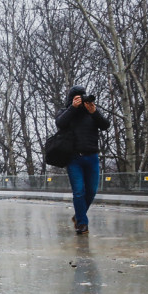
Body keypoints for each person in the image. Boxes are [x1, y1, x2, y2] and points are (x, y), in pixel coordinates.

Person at [56, 85, 109, 235]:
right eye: (77, 97)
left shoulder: (91, 113)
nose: (81, 100)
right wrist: (72, 107)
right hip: (74, 158)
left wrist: (94, 112)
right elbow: (60, 123)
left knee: (91, 191)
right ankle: (82, 223)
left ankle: (78, 216)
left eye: (82, 97)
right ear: (71, 99)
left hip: (92, 156)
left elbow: (105, 125)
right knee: (79, 191)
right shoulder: (66, 112)